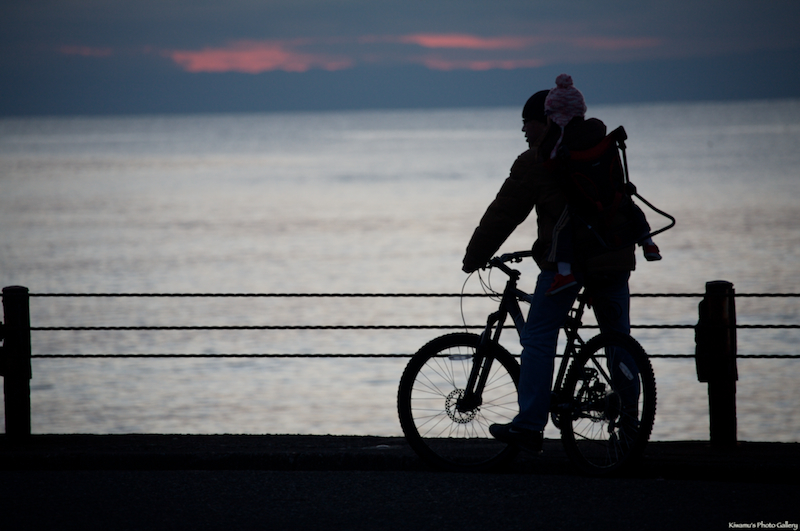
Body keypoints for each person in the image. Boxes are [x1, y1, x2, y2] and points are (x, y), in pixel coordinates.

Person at [461, 75, 637, 453]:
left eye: (527, 123)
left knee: (538, 337)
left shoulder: (537, 161)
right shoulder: (602, 148)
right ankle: (631, 428)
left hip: (567, 266)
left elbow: (503, 214)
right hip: (615, 257)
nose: (523, 131)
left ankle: (528, 425)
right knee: (619, 342)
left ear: (546, 121)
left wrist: (474, 258)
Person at [542, 74, 661, 297]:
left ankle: (564, 273)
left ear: (556, 117)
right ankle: (648, 242)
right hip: (614, 201)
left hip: (585, 206)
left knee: (562, 229)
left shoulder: (559, 146)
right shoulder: (601, 138)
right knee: (630, 205)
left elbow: (549, 166)